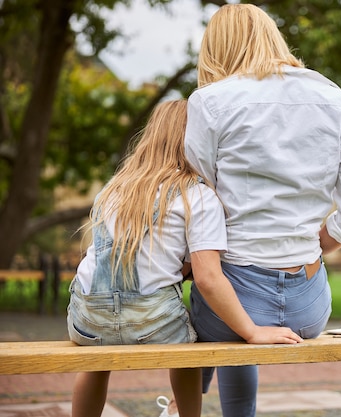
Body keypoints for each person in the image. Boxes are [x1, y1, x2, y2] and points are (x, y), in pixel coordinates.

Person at [182, 4, 341, 417]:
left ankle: (186, 409)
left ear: (217, 48)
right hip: (309, 306)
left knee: (205, 309)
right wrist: (314, 247)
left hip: (231, 297)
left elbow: (199, 200)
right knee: (232, 314)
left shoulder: (208, 103)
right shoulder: (336, 99)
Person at [66, 99, 303, 417]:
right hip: (152, 324)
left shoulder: (112, 190)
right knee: (191, 351)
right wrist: (252, 331)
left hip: (87, 322)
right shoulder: (198, 196)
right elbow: (207, 278)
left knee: (96, 361)